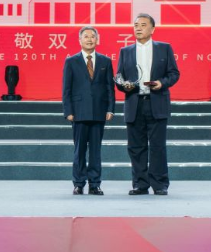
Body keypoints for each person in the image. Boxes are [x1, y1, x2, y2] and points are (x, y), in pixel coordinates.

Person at [115, 13, 180, 195]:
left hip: (156, 102)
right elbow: (119, 77)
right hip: (134, 103)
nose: (138, 28)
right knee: (136, 147)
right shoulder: (125, 51)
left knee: (158, 146)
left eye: (143, 25)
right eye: (136, 25)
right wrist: (124, 85)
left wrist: (162, 83)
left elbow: (174, 73)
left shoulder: (164, 48)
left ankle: (160, 184)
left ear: (152, 29)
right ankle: (140, 184)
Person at [61, 25, 115, 196]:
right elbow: (66, 89)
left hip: (99, 111)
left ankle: (95, 184)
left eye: (93, 36)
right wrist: (68, 111)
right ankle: (78, 184)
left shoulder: (105, 61)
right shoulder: (71, 61)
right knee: (79, 151)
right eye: (86, 36)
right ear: (80, 40)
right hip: (78, 112)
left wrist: (110, 109)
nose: (90, 39)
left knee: (96, 151)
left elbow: (110, 87)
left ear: (97, 40)